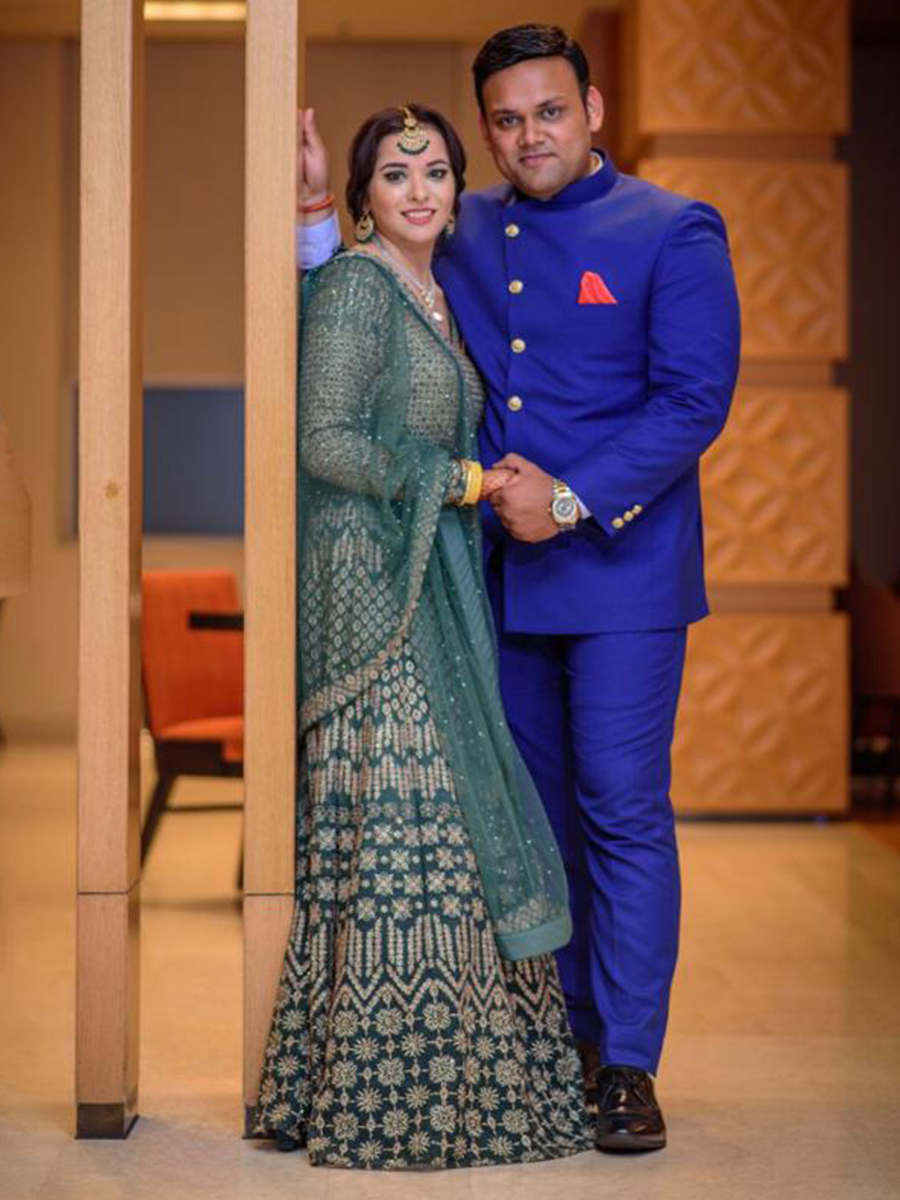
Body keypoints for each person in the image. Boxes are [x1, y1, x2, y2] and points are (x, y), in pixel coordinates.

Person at [297, 24, 741, 1154]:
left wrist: (575, 500)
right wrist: (311, 212)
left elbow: (693, 403)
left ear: (592, 108)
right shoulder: (465, 223)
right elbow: (372, 290)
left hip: (624, 576)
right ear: (485, 131)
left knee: (621, 810)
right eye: (505, 119)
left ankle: (627, 1062)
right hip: (498, 577)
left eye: (549, 111)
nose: (529, 135)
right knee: (529, 814)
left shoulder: (672, 227)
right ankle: (564, 1042)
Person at [253, 103, 595, 1169]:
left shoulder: (432, 292)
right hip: (376, 598)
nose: (419, 190)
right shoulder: (361, 285)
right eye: (395, 174)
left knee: (447, 834)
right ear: (366, 196)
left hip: (430, 583)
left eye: (437, 171)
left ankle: (456, 1085)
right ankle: (389, 1096)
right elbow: (324, 439)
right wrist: (460, 481)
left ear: (456, 190)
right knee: (412, 832)